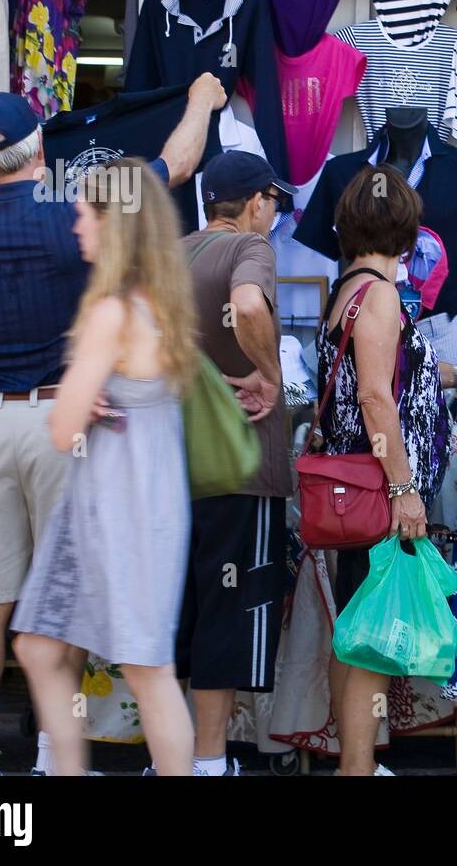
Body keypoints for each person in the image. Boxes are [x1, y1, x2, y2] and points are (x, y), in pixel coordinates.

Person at [0, 77, 225, 777]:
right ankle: (53, 752)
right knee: (62, 608)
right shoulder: (72, 214)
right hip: (73, 417)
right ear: (40, 150)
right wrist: (202, 101)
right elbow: (173, 169)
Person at [10, 159, 199, 776]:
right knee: (47, 646)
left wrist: (75, 390)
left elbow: (61, 429)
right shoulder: (161, 305)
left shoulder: (111, 313)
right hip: (140, 504)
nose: (75, 225)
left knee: (145, 668)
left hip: (117, 510)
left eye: (87, 212)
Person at [315, 164, 457, 777]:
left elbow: (386, 377)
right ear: (406, 235)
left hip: (356, 482)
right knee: (370, 638)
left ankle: (353, 763)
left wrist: (453, 376)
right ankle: (357, 768)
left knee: (360, 626)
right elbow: (376, 398)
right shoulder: (380, 295)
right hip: (377, 488)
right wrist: (405, 489)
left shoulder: (349, 289)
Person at [175, 151, 297, 776]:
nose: (272, 213)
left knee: (182, 612)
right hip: (239, 463)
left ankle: (175, 758)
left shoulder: (173, 252)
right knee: (227, 614)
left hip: (174, 464)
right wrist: (271, 376)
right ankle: (208, 762)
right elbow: (249, 306)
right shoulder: (252, 251)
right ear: (254, 203)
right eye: (272, 201)